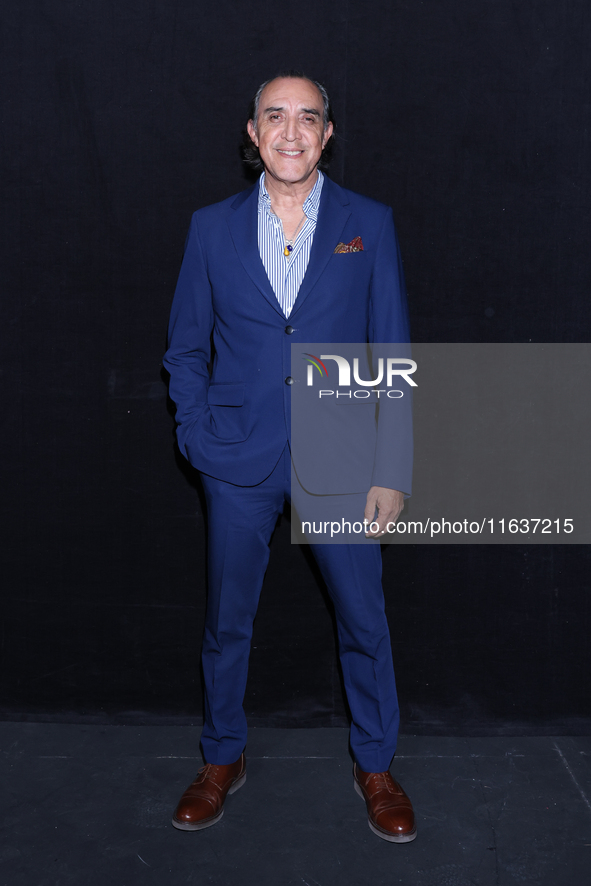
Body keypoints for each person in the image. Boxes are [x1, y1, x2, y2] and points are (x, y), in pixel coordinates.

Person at [163, 72, 416, 843]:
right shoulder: (209, 228)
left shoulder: (368, 224)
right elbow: (184, 348)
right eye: (276, 116)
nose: (292, 131)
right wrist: (198, 435)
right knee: (225, 622)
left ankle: (374, 764)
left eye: (308, 118)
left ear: (327, 134)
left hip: (341, 460)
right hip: (236, 459)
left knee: (363, 621)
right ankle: (221, 758)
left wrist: (391, 470)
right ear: (252, 132)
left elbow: (392, 350)